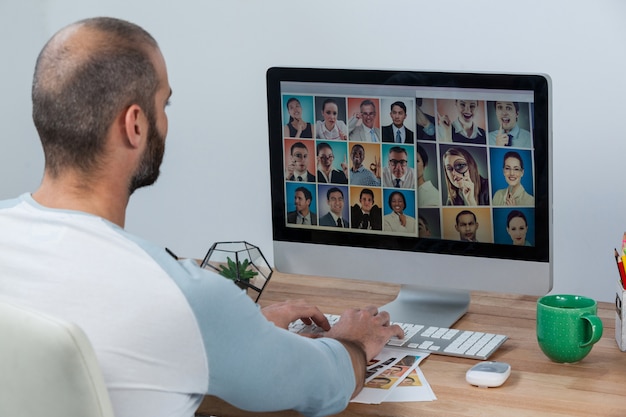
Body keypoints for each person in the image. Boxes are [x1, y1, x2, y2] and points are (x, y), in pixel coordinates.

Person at [0, 17, 403, 417]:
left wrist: (239, 334)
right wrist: (352, 341)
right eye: (164, 104)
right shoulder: (182, 298)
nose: (166, 119)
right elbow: (325, 386)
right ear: (135, 125)